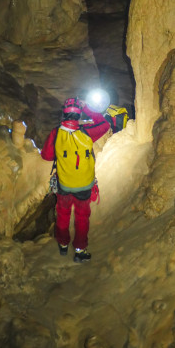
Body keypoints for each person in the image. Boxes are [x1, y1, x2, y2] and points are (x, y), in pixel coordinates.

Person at [40, 97, 111, 263]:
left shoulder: (56, 133)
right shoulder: (86, 132)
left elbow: (46, 155)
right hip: (84, 186)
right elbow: (105, 125)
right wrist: (88, 109)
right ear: (79, 114)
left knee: (63, 214)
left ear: (64, 114)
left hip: (64, 184)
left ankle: (63, 244)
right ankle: (80, 250)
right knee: (81, 217)